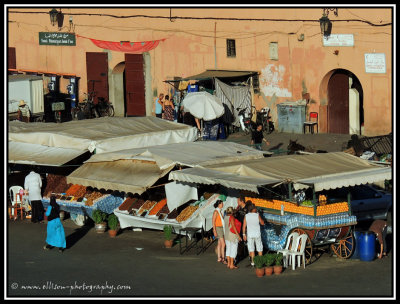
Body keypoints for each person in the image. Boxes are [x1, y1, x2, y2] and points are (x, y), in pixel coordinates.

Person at [212, 200, 227, 264]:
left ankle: (219, 257)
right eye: (222, 203)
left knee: (220, 243)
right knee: (223, 244)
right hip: (218, 228)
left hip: (221, 227)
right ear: (219, 204)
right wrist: (214, 230)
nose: (222, 204)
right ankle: (223, 258)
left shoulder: (220, 211)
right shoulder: (216, 211)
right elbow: (213, 221)